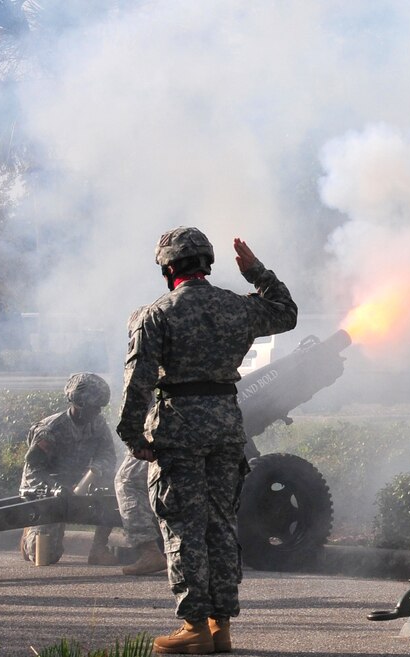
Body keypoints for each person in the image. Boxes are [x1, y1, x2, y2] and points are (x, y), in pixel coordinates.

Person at [117, 227, 297, 654]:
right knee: (220, 524)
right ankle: (221, 626)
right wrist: (256, 272)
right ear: (207, 263)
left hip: (178, 431)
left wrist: (132, 435)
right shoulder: (237, 308)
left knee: (183, 527)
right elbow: (286, 313)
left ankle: (194, 627)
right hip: (225, 428)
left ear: (168, 268)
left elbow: (138, 383)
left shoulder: (156, 314)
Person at [19, 372, 119, 566]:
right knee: (46, 556)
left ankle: (98, 548)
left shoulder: (98, 424)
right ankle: (28, 536)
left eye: (99, 407)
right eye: (93, 407)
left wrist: (95, 470)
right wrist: (56, 488)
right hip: (48, 490)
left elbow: (108, 455)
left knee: (115, 488)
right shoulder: (49, 430)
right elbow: (34, 471)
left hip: (81, 483)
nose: (97, 412)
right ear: (78, 404)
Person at [114, 306, 166, 577]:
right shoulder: (178, 342)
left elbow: (137, 396)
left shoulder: (146, 354)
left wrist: (133, 439)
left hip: (159, 430)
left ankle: (149, 551)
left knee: (126, 481)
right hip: (201, 427)